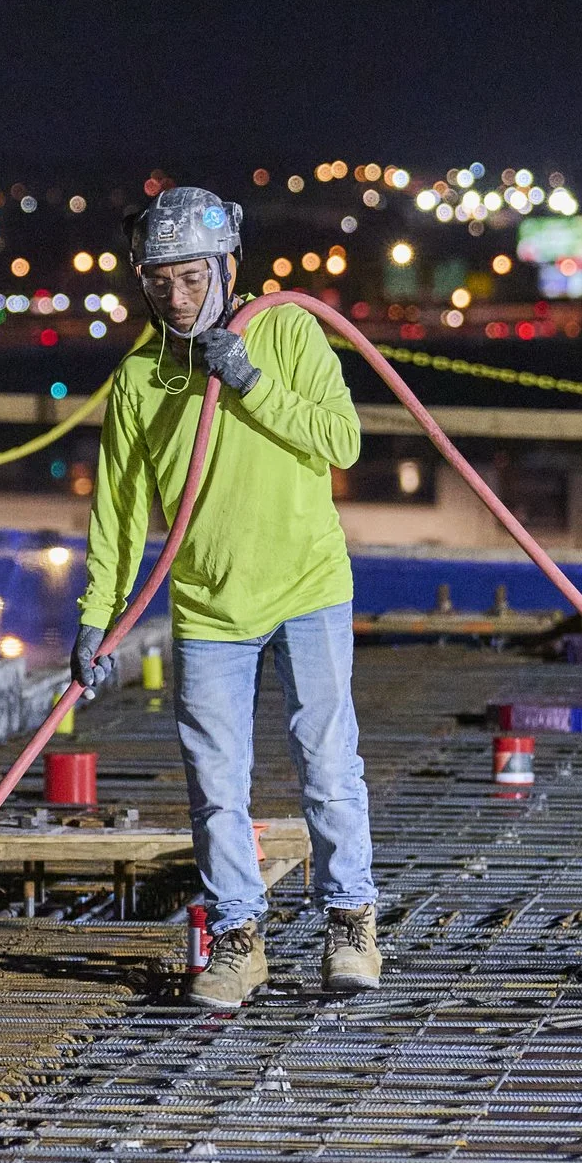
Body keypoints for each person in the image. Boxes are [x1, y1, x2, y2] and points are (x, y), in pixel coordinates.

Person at [73, 185, 377, 1009]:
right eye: (160, 281)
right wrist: (97, 620)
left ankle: (350, 920)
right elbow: (120, 512)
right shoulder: (141, 378)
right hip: (208, 606)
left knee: (325, 759)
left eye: (192, 278)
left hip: (308, 585)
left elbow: (340, 438)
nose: (177, 297)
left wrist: (247, 381)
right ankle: (237, 940)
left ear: (228, 266)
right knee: (216, 782)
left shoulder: (285, 330)